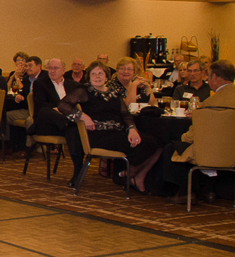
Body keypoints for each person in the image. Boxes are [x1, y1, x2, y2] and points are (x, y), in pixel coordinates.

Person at [58, 60, 161, 194]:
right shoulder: (84, 91)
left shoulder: (114, 93)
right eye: (94, 74)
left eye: (100, 73)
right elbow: (63, 105)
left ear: (106, 76)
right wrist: (82, 116)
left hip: (118, 132)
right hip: (98, 134)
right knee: (142, 144)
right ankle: (130, 175)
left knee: (157, 145)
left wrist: (132, 129)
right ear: (89, 76)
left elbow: (125, 114)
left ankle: (135, 175)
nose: (97, 76)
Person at [165, 60, 235, 204]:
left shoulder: (212, 103)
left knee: (174, 147)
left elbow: (193, 135)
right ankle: (208, 191)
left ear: (215, 77)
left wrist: (183, 136)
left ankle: (186, 192)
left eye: (208, 75)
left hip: (220, 153)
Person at [29, 58, 79, 137]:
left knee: (72, 131)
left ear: (63, 70)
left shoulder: (73, 85)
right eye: (50, 68)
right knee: (45, 110)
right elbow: (41, 105)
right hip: (49, 123)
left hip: (68, 121)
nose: (52, 71)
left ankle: (69, 125)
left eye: (55, 68)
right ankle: (68, 123)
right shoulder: (40, 83)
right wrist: (62, 110)